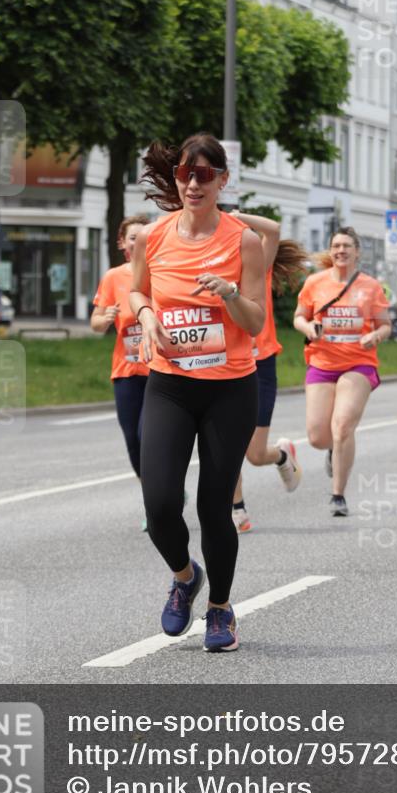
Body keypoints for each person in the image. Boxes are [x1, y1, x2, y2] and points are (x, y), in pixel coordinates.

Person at [130, 133, 265, 653]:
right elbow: (138, 288)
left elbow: (253, 322)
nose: (192, 182)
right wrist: (145, 317)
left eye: (205, 175)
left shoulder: (242, 241)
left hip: (229, 388)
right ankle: (186, 577)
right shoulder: (153, 235)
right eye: (186, 172)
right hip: (170, 385)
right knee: (160, 503)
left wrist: (230, 294)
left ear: (222, 181)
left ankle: (220, 609)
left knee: (214, 506)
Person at [294, 227, 391, 517]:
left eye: (347, 245)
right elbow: (299, 316)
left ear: (357, 251)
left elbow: (385, 324)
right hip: (322, 361)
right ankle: (334, 450)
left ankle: (338, 494)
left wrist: (376, 336)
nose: (341, 250)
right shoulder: (315, 282)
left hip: (358, 362)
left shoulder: (371, 286)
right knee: (317, 437)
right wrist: (308, 328)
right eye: (336, 245)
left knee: (343, 425)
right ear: (331, 250)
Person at [230, 222, 309, 532]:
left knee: (255, 454)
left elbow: (273, 231)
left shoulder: (257, 267)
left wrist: (235, 214)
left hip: (261, 366)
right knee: (229, 443)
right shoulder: (213, 272)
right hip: (228, 364)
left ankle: (280, 455)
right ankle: (238, 508)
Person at [91, 215, 150, 521]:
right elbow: (96, 324)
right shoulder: (113, 277)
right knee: (132, 439)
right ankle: (152, 498)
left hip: (158, 370)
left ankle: (158, 500)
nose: (138, 241)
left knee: (146, 434)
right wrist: (107, 316)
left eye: (143, 236)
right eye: (132, 237)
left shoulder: (160, 272)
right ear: (122, 243)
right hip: (126, 370)